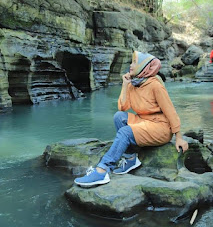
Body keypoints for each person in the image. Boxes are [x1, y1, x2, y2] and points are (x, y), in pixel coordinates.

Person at [74, 51, 189, 187]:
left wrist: (179, 136)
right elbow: (122, 107)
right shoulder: (133, 83)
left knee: (125, 132)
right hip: (144, 121)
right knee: (119, 117)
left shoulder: (155, 85)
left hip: (160, 128)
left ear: (144, 66)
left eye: (134, 62)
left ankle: (102, 170)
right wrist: (125, 84)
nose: (131, 65)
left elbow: (170, 111)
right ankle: (130, 158)